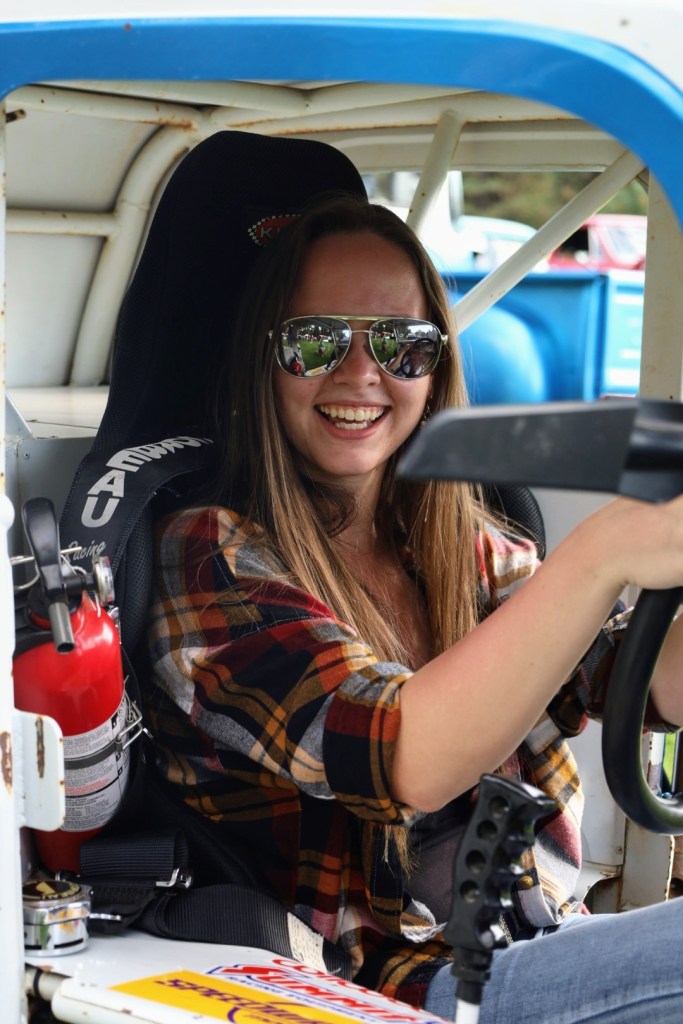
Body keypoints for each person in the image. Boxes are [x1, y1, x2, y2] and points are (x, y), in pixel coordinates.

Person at [145, 192, 683, 1022]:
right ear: (264, 359)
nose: (360, 374)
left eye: (400, 344)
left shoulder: (460, 545)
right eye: (316, 340)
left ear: (434, 370)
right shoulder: (211, 557)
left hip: (541, 937)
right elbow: (405, 758)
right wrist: (604, 551)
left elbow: (638, 681)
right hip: (383, 989)